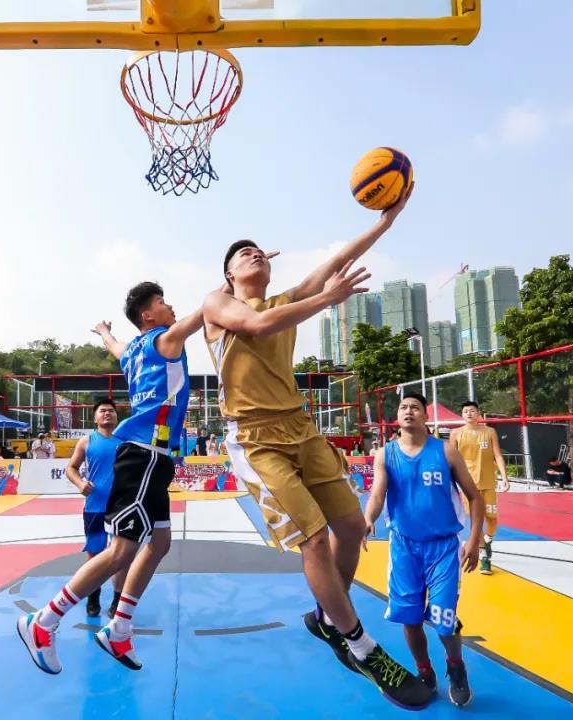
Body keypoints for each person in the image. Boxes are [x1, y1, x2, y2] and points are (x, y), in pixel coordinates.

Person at [200, 188, 434, 710]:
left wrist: (386, 222)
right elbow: (257, 323)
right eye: (242, 254)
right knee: (313, 540)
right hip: (256, 439)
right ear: (228, 275)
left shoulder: (283, 300)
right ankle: (362, 646)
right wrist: (327, 298)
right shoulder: (217, 305)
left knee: (351, 527)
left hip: (301, 429)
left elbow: (334, 263)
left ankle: (329, 618)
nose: (253, 254)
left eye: (258, 251)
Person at [17, 282, 203, 675]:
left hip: (155, 459)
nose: (171, 306)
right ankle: (44, 621)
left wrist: (104, 332)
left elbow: (116, 347)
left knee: (160, 542)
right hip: (144, 455)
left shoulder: (133, 350)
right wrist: (234, 280)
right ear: (148, 316)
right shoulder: (166, 339)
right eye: (162, 302)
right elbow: (207, 312)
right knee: (121, 551)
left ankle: (119, 628)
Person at [363, 392, 485, 707]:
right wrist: (368, 518)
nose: (408, 411)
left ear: (425, 416)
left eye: (415, 407)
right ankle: (425, 670)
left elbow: (475, 496)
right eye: (403, 407)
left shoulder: (445, 451)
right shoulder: (386, 454)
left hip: (443, 549)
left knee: (444, 620)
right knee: (410, 617)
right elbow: (377, 495)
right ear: (397, 416)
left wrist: (474, 540)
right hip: (404, 548)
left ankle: (456, 666)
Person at [65, 399, 126, 620]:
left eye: (111, 411)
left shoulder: (126, 442)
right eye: (102, 411)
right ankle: (93, 596)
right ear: (95, 417)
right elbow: (71, 468)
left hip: (122, 506)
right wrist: (80, 483)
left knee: (122, 555)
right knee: (94, 553)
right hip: (95, 506)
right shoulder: (86, 441)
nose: (107, 414)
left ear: (117, 416)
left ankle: (118, 599)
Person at [450, 401, 509, 575]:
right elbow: (452, 459)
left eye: (472, 410)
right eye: (465, 411)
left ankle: (488, 540)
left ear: (478, 414)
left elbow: (497, 455)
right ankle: (485, 557)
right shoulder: (456, 433)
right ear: (462, 415)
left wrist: (504, 477)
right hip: (467, 484)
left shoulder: (489, 432)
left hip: (488, 482)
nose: (469, 413)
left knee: (492, 518)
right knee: (476, 520)